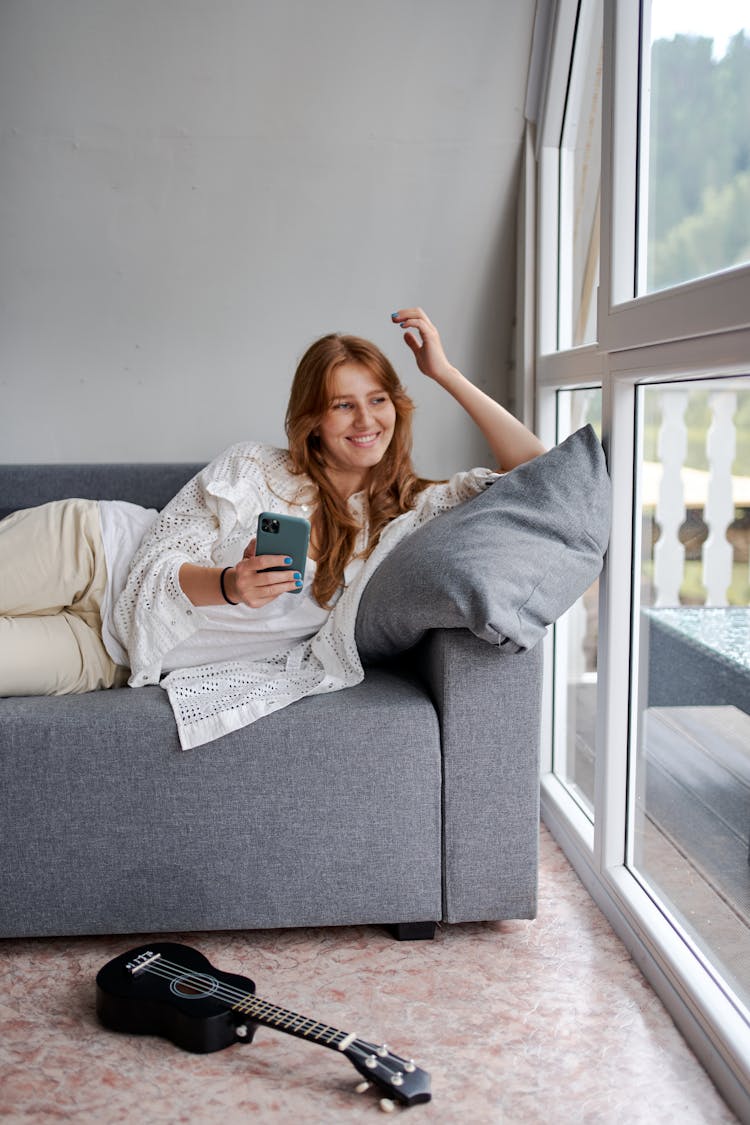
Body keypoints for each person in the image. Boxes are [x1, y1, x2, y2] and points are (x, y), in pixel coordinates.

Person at [0, 308, 544, 746]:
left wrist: (443, 373)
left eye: (378, 400)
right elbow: (160, 558)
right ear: (314, 420)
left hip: (111, 653)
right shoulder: (254, 467)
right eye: (343, 405)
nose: (366, 420)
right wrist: (228, 586)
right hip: (91, 551)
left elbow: (541, 472)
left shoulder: (412, 513)